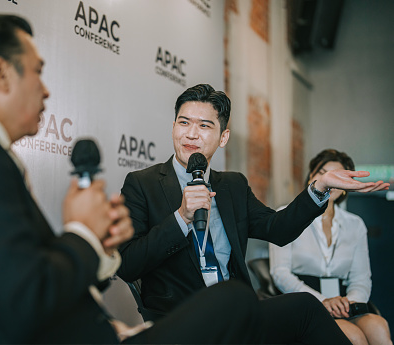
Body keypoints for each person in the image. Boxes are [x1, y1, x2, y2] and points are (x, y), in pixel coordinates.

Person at [0, 14, 270, 344]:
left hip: (98, 333)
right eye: (38, 71)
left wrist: (101, 250)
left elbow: (19, 280)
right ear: (1, 74)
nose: (46, 90)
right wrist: (83, 235)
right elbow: (25, 300)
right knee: (236, 302)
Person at [117, 84, 389, 344]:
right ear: (173, 127)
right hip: (181, 316)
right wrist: (181, 218)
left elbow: (278, 229)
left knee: (306, 309)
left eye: (204, 125)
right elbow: (128, 264)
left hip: (237, 311)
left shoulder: (233, 185)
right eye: (183, 122)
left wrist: (320, 186)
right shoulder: (143, 184)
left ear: (223, 137)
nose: (191, 134)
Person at [269, 149, 392, 345]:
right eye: (323, 173)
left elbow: (361, 277)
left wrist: (348, 304)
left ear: (346, 185)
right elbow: (280, 272)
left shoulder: (355, 224)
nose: (331, 180)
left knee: (378, 326)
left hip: (345, 304)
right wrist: (322, 301)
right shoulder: (287, 214)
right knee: (353, 337)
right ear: (312, 177)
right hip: (305, 303)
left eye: (338, 175)